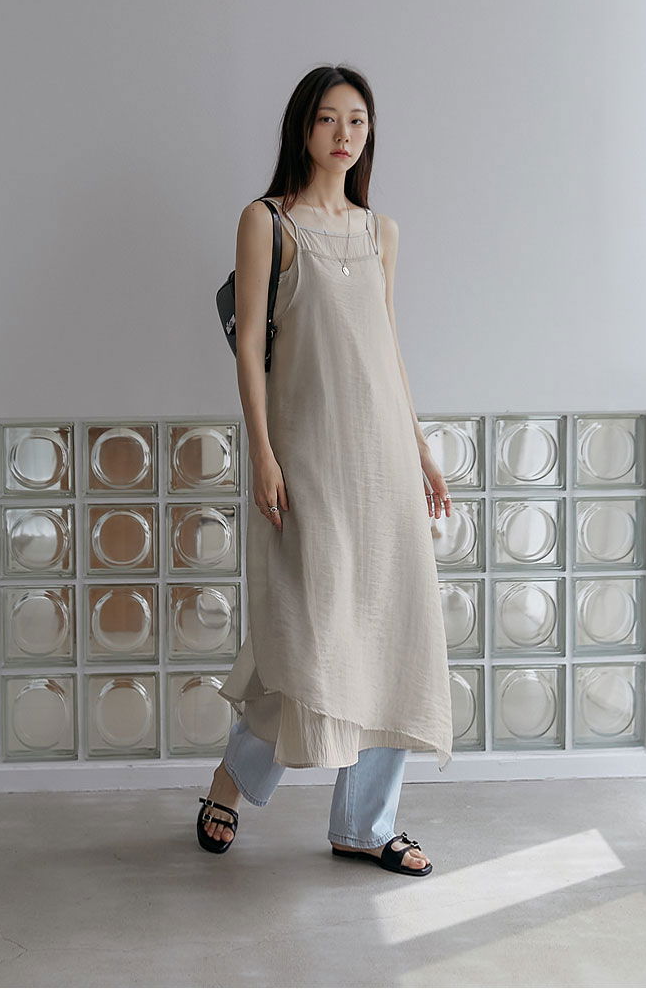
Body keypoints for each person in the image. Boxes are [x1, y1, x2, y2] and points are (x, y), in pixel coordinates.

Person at [198, 64, 454, 878]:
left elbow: (387, 349)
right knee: (303, 638)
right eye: (329, 119)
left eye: (358, 121)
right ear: (303, 128)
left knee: (391, 637)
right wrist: (262, 452)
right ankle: (231, 781)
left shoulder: (381, 232)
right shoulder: (266, 221)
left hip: (383, 463)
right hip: (307, 459)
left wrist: (420, 451)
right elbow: (248, 346)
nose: (345, 134)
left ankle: (366, 824)